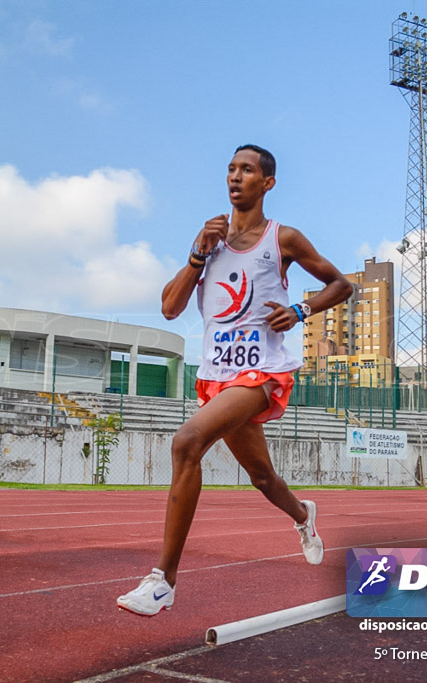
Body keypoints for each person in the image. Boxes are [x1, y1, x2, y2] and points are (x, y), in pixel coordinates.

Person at [116, 144, 352, 616]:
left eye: (247, 170)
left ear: (267, 183)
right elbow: (169, 307)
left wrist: (300, 309)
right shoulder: (209, 240)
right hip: (217, 376)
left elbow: (341, 284)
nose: (235, 176)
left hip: (262, 372)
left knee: (187, 442)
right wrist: (197, 255)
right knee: (262, 477)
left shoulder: (283, 239)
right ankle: (303, 515)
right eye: (230, 169)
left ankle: (163, 581)